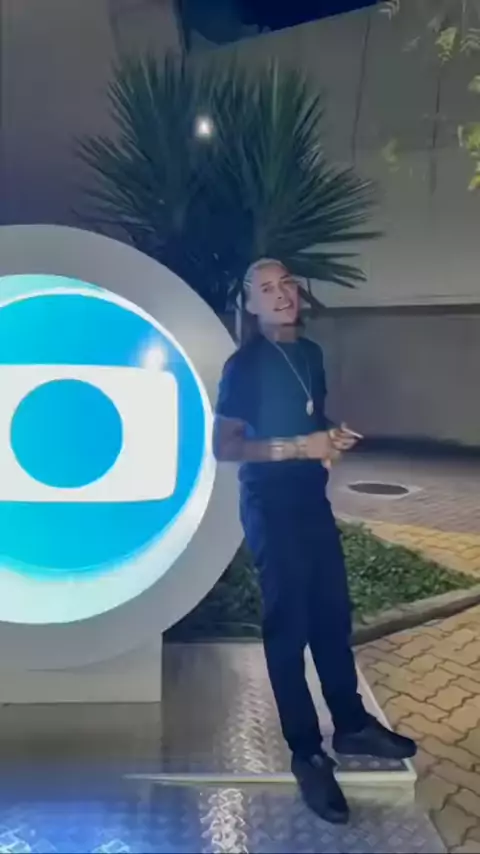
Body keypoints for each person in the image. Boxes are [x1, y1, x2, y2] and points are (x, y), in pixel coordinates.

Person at [213, 258, 416, 825]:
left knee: (331, 613)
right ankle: (307, 752)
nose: (281, 294)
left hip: (310, 499)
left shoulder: (310, 354)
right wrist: (300, 447)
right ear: (250, 305)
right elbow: (225, 447)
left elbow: (312, 416)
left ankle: (351, 725)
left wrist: (327, 441)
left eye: (286, 284)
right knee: (289, 626)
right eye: (265, 289)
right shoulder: (244, 366)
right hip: (269, 506)